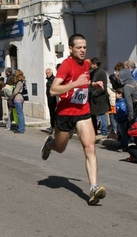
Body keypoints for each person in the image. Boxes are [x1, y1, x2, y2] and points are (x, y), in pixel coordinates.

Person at [40, 33, 106, 205]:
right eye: (79, 47)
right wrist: (74, 83)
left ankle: (93, 188)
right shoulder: (66, 66)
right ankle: (49, 144)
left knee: (90, 147)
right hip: (64, 114)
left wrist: (92, 84)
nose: (83, 50)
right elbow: (53, 90)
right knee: (60, 148)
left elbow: (82, 84)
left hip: (83, 112)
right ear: (70, 49)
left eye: (84, 47)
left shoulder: (86, 64)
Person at [89, 57, 109, 139]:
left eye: (92, 64)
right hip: (94, 98)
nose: (91, 65)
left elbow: (102, 87)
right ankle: (94, 130)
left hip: (100, 98)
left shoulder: (101, 73)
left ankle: (104, 132)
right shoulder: (93, 72)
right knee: (93, 114)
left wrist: (94, 93)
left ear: (95, 64)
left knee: (101, 114)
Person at [10, 69, 27, 134]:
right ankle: (21, 127)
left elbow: (15, 91)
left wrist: (11, 97)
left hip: (18, 98)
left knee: (19, 114)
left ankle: (21, 128)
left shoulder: (19, 82)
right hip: (20, 98)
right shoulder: (22, 81)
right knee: (20, 113)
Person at [45, 68, 56, 134]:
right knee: (51, 113)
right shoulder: (48, 80)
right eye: (46, 73)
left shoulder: (53, 80)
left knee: (53, 113)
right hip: (49, 98)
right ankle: (52, 126)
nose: (47, 74)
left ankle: (54, 126)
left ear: (51, 73)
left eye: (48, 73)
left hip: (53, 98)